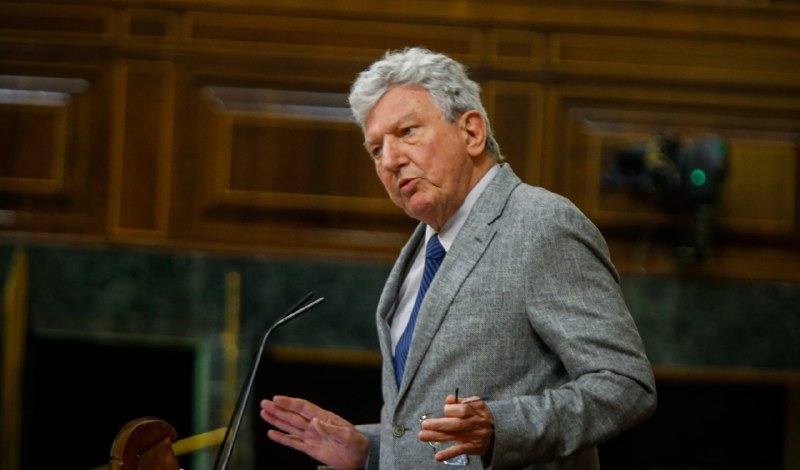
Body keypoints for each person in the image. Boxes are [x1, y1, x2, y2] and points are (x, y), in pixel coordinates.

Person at [259, 46, 657, 469]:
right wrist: (369, 449)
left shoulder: (540, 224)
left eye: (407, 131)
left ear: (471, 132)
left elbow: (625, 385)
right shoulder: (420, 248)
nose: (390, 160)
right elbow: (433, 427)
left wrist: (502, 429)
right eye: (376, 149)